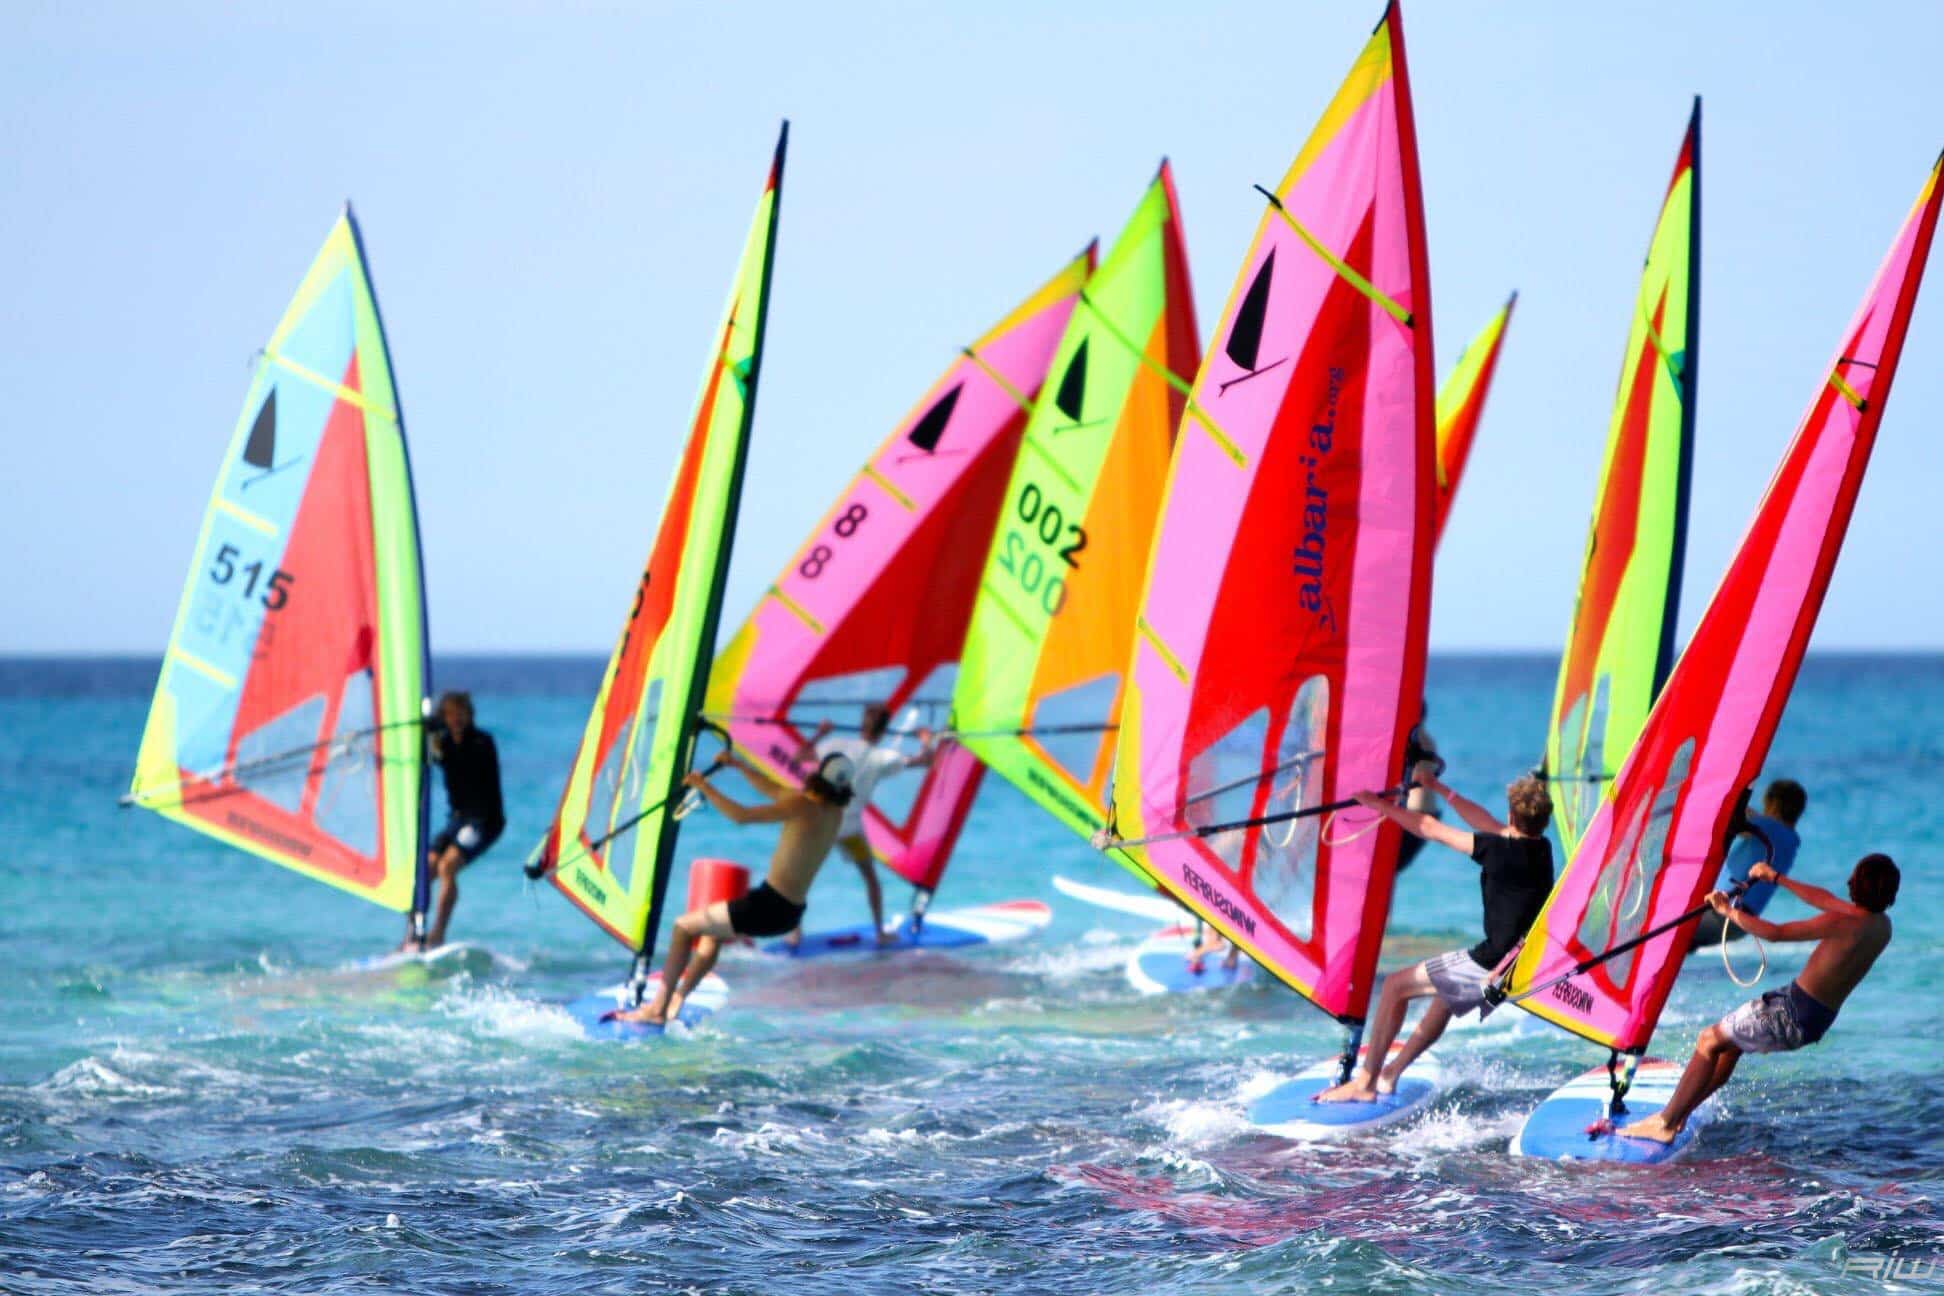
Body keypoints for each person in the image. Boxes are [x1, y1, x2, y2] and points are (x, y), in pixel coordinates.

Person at [1621, 853, 1899, 1144]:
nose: (1847, 880)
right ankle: (1680, 1114)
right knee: (1729, 1049)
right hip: (1815, 1019)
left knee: (1708, 1041)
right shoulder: (1882, 927)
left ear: (1856, 884)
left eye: (1853, 877)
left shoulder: (1842, 922)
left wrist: (1727, 911)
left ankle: (1666, 1123)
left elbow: (1775, 933)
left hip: (1789, 1012)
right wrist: (1776, 878)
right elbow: (1824, 900)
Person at [1316, 765, 1554, 1103]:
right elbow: (1484, 821)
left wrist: (1377, 804)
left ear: (1512, 815)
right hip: (1517, 962)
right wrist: (1439, 789)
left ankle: (1365, 1083)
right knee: (1441, 1002)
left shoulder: (1497, 850)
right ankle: (1390, 1074)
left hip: (1491, 963)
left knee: (1395, 986)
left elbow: (1429, 827)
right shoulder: (1540, 849)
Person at [610, 752, 854, 1025]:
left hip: (769, 905)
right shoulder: (834, 814)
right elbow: (775, 790)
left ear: (817, 776)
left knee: (683, 927)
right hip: (790, 912)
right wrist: (739, 766)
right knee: (712, 934)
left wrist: (704, 786)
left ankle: (656, 1009)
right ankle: (676, 999)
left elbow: (742, 816)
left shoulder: (802, 805)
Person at [788, 704, 937, 945]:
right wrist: (926, 740)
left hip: (822, 825)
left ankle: (794, 933)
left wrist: (821, 732)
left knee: (801, 877)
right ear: (883, 730)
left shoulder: (834, 745)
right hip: (849, 832)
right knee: (870, 878)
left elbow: (799, 756)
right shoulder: (882, 758)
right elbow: (926, 761)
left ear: (862, 725)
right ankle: (880, 933)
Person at [403, 690, 504, 951]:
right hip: (457, 821)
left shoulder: (482, 743)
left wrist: (436, 735)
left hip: (484, 821)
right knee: (424, 869)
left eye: (462, 714)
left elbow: (463, 759)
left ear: (470, 716)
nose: (457, 719)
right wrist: (426, 732)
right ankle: (412, 934)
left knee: (447, 866)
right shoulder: (444, 744)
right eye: (450, 715)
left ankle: (437, 933)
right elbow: (427, 756)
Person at [1693, 778, 1806, 947]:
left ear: (1772, 804)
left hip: (1723, 913)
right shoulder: (1789, 839)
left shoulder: (1769, 827)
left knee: (1661, 935)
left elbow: (1731, 816)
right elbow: (1752, 819)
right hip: (1741, 922)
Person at [1394, 704, 1443, 874]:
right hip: (1424, 816)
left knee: (1382, 870)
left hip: (1415, 818)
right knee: (1387, 872)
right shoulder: (1426, 738)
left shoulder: (1415, 739)